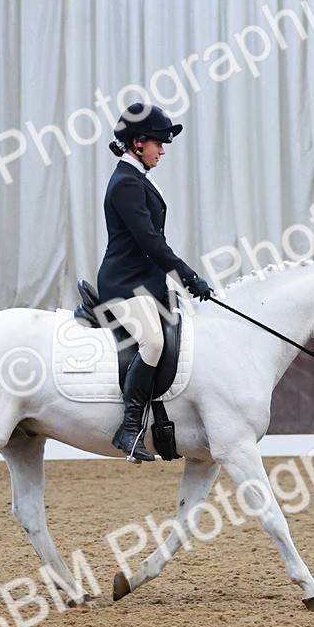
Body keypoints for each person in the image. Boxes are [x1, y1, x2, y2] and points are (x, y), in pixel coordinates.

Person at [98, 103, 212, 463]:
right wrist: (188, 275)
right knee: (153, 341)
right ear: (137, 143)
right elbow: (151, 243)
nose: (163, 150)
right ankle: (129, 428)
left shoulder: (138, 179)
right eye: (158, 144)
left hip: (146, 283)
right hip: (124, 285)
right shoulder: (126, 184)